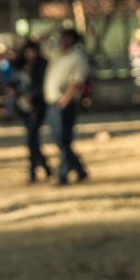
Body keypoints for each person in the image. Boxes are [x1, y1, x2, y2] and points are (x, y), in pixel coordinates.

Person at [43, 28, 89, 185]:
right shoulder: (57, 54)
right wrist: (50, 31)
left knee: (63, 140)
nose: (62, 41)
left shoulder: (77, 57)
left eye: (65, 38)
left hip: (64, 103)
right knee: (61, 140)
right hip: (52, 102)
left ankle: (62, 175)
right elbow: (40, 43)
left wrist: (65, 100)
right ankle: (79, 169)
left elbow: (77, 82)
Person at [7, 40, 52, 183]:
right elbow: (12, 81)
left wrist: (33, 96)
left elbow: (44, 84)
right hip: (23, 107)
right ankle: (45, 168)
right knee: (32, 140)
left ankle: (33, 171)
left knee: (31, 139)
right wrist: (13, 90)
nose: (30, 54)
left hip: (37, 106)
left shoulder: (42, 65)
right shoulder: (20, 65)